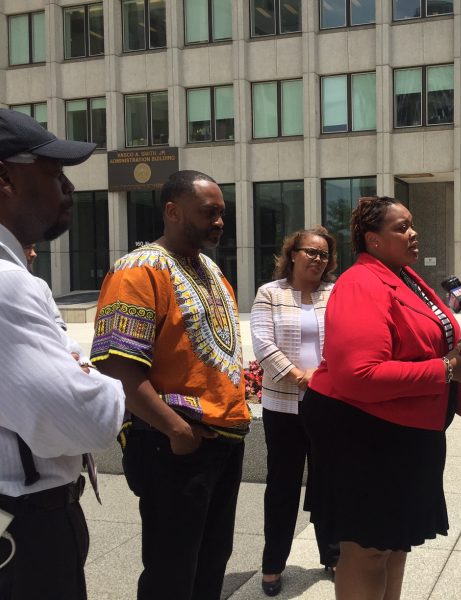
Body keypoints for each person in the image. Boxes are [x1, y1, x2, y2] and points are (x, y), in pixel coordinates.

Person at [302, 196, 461, 600]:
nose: (413, 233)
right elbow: (358, 374)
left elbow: (427, 334)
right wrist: (445, 369)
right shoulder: (361, 282)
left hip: (405, 431)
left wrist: (455, 355)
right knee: (369, 548)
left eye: (412, 224)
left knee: (395, 543)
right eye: (402, 227)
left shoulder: (403, 276)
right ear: (372, 240)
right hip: (364, 433)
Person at [91, 170, 251, 600]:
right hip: (174, 444)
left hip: (222, 440)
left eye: (222, 213)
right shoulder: (138, 271)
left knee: (211, 562)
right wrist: (176, 431)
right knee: (171, 570)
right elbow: (117, 368)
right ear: (172, 211)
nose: (219, 221)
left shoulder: (210, 269)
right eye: (209, 212)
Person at [0, 108, 125, 600]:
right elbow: (88, 419)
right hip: (25, 531)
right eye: (54, 173)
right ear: (5, 176)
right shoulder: (8, 287)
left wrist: (76, 366)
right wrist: (96, 377)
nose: (68, 188)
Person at [250, 227, 340, 596]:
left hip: (328, 404)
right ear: (292, 254)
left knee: (330, 481)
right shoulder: (270, 293)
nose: (318, 259)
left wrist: (324, 376)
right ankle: (273, 564)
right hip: (283, 407)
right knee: (282, 485)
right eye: (311, 252)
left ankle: (332, 554)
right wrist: (298, 375)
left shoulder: (335, 294)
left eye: (324, 255)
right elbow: (261, 341)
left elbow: (347, 339)